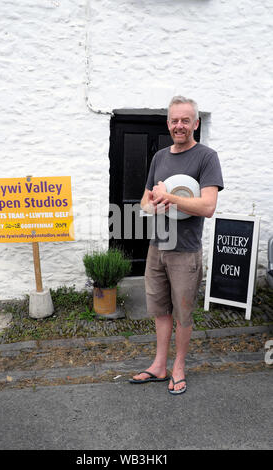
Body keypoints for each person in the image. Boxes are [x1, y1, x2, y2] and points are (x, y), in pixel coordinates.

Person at [129, 96, 224, 394]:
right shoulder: (159, 158)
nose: (179, 125)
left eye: (185, 120)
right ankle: (159, 365)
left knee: (183, 313)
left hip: (186, 250)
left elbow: (208, 206)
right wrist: (153, 205)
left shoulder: (207, 157)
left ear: (195, 123)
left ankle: (179, 367)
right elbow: (145, 200)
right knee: (160, 310)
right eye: (174, 120)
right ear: (168, 123)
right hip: (157, 247)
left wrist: (170, 197)